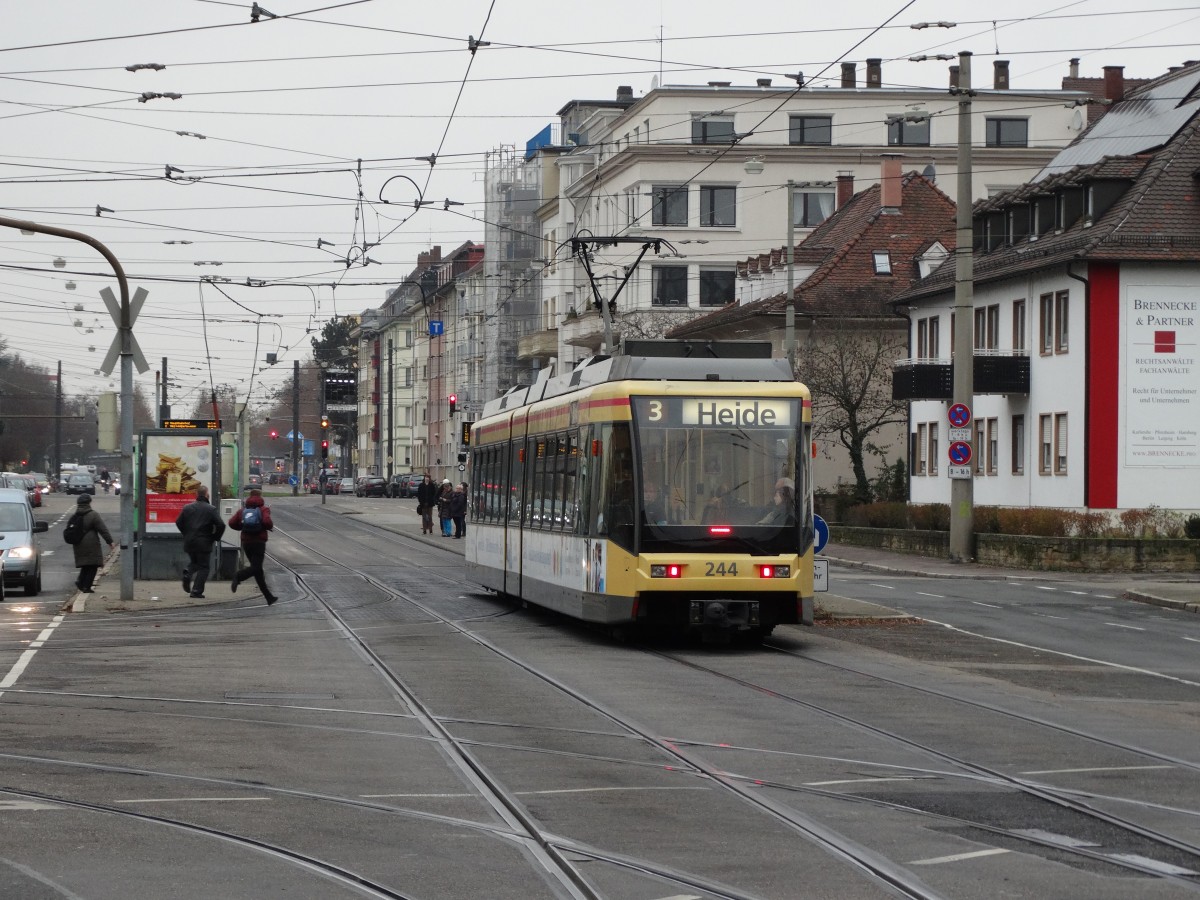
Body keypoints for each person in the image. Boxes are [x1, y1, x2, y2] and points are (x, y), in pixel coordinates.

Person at [228, 488, 278, 605]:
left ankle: (268, 596)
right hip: (259, 542)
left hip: (247, 543)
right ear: (260, 496)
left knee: (257, 569)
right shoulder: (263, 509)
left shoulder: (243, 510)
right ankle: (238, 576)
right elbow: (267, 522)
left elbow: (231, 522)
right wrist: (265, 527)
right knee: (256, 568)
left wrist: (242, 527)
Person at [176, 485, 225, 599]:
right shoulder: (211, 509)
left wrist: (186, 534)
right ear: (207, 495)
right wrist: (215, 537)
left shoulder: (187, 508)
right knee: (204, 567)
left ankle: (188, 572)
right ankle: (196, 591)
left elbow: (178, 522)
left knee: (195, 562)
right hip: (204, 542)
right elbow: (221, 524)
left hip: (189, 541)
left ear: (197, 495)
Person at [71, 494, 114, 593]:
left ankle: (80, 581)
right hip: (91, 544)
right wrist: (109, 541)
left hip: (78, 543)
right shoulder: (93, 514)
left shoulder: (75, 515)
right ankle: (86, 586)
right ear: (89, 503)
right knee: (93, 565)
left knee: (86, 565)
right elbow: (102, 529)